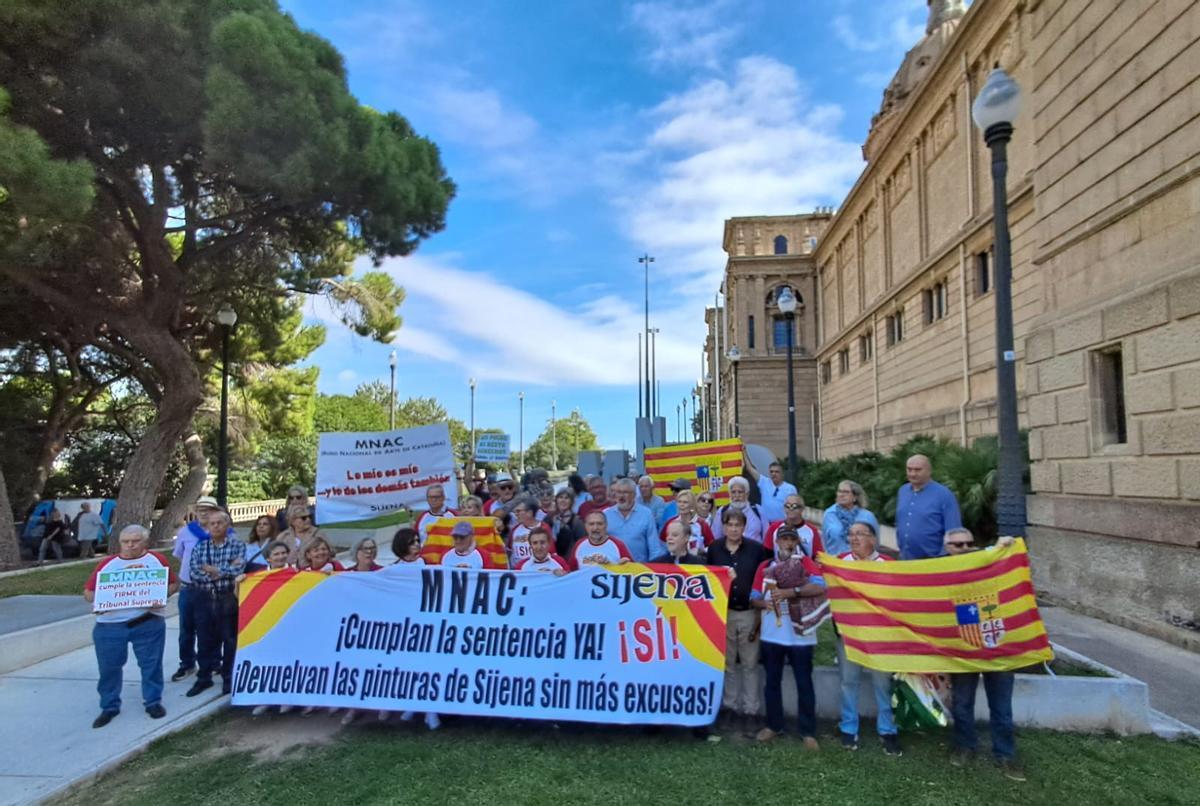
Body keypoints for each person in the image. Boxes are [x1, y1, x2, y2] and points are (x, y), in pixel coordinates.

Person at [943, 527, 1024, 781]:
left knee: (1002, 706)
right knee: (963, 703)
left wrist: (1007, 546)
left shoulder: (991, 564)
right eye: (958, 545)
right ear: (948, 548)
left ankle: (1005, 755)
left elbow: (1009, 558)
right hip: (963, 649)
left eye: (969, 543)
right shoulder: (940, 574)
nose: (965, 548)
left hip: (996, 645)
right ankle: (965, 746)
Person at [83, 525, 180, 728]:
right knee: (109, 668)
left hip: (146, 622)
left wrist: (161, 596)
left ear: (144, 542)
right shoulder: (108, 564)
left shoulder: (156, 561)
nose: (130, 545)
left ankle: (153, 702)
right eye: (125, 542)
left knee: (151, 665)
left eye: (135, 541)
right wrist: (99, 602)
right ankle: (109, 706)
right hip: (109, 626)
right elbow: (89, 592)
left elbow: (172, 584)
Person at [751, 525, 826, 747]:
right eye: (784, 540)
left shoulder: (807, 564)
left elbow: (820, 588)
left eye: (792, 539)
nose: (788, 543)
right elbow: (753, 597)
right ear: (777, 542)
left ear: (797, 542)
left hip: (801, 634)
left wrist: (791, 592)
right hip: (772, 633)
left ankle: (808, 731)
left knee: (804, 682)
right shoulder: (765, 566)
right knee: (772, 681)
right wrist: (763, 602)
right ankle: (774, 725)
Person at [835, 520, 901, 755]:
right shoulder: (840, 562)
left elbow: (897, 599)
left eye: (860, 534)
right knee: (848, 681)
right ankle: (848, 727)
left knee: (882, 683)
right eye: (851, 535)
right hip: (849, 634)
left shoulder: (888, 565)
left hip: (879, 636)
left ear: (873, 539)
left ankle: (887, 730)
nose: (854, 539)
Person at [706, 508, 767, 731]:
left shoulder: (756, 549)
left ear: (744, 527)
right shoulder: (714, 549)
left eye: (737, 525)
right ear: (723, 526)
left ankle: (751, 710)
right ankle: (729, 707)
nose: (733, 529)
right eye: (729, 525)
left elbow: (763, 577)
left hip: (749, 612)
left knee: (750, 664)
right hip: (725, 613)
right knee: (728, 663)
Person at [186, 510, 245, 697]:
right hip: (204, 597)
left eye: (220, 522)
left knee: (229, 639)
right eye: (212, 523)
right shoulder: (201, 547)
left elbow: (238, 569)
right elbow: (194, 571)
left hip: (227, 596)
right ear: (208, 526)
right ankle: (204, 677)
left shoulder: (237, 545)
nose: (216, 526)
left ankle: (228, 677)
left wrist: (212, 569)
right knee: (204, 639)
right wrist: (222, 570)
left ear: (227, 525)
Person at [170, 495, 220, 682]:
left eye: (209, 509)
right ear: (195, 512)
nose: (204, 513)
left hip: (213, 588)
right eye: (201, 509)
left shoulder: (224, 532)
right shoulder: (186, 532)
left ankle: (214, 662)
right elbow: (180, 555)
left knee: (212, 628)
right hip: (190, 587)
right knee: (187, 629)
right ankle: (187, 664)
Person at [896, 454, 962, 560]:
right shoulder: (902, 491)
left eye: (918, 470)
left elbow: (954, 531)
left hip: (933, 561)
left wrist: (943, 558)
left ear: (929, 471)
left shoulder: (944, 494)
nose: (912, 474)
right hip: (905, 559)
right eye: (909, 469)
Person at [604, 478, 663, 562]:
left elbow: (654, 547)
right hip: (613, 568)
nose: (621, 496)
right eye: (619, 492)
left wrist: (654, 568)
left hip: (639, 569)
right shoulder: (606, 515)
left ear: (634, 495)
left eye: (625, 492)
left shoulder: (646, 514)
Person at [822, 480, 879, 557]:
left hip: (860, 564)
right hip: (835, 564)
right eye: (839, 491)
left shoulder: (868, 516)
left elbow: (875, 544)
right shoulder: (829, 514)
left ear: (855, 497)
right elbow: (824, 542)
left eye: (846, 492)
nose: (841, 495)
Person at [763, 494, 823, 560]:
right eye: (787, 506)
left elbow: (818, 557)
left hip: (804, 568)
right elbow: (767, 553)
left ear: (802, 508)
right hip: (778, 568)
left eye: (795, 506)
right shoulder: (774, 528)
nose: (791, 509)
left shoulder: (812, 531)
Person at [743, 452, 798, 524]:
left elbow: (794, 509)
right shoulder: (764, 482)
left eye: (776, 472)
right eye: (771, 472)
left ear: (782, 473)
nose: (773, 474)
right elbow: (750, 468)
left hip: (783, 525)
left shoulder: (790, 488)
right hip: (766, 524)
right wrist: (744, 452)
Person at [568, 510, 633, 569]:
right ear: (585, 526)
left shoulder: (618, 545)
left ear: (606, 525)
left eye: (599, 524)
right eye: (591, 524)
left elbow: (633, 569)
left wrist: (626, 565)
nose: (595, 528)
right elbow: (570, 570)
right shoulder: (579, 545)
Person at [659, 491, 715, 558]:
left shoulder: (702, 524)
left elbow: (712, 547)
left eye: (685, 502)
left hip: (697, 564)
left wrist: (700, 552)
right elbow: (662, 545)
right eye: (679, 502)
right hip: (675, 563)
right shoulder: (670, 523)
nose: (681, 505)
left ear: (692, 505)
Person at [711, 477, 766, 543]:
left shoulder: (758, 510)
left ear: (747, 494)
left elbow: (767, 536)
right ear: (729, 494)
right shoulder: (722, 511)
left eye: (740, 492)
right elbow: (715, 538)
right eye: (733, 492)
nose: (737, 495)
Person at [546, 488, 586, 558]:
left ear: (571, 501)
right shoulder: (549, 517)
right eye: (560, 497)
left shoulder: (577, 521)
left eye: (566, 498)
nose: (563, 500)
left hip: (569, 558)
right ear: (556, 500)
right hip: (551, 558)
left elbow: (581, 542)